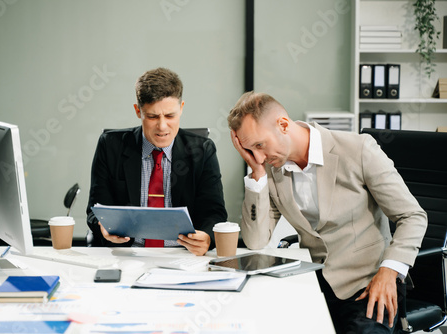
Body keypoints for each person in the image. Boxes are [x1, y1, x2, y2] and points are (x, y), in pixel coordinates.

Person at [228, 91, 427, 333]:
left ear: (282, 124)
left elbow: (412, 216)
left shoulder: (358, 149)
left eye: (260, 145)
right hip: (313, 282)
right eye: (250, 150)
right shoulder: (270, 169)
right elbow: (255, 240)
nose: (259, 156)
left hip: (367, 285)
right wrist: (256, 174)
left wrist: (389, 271)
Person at [86, 67, 227, 256]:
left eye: (170, 116)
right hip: (126, 254)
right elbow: (95, 210)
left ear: (181, 108)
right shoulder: (110, 146)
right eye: (152, 116)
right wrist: (103, 227)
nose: (162, 127)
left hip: (182, 254)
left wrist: (208, 238)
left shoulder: (202, 150)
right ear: (138, 111)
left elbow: (215, 213)